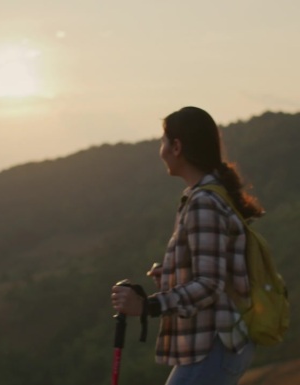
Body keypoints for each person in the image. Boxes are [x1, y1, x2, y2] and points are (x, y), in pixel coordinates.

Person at [111, 106, 265, 385]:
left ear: (177, 147)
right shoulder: (208, 195)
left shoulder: (203, 202)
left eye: (163, 142)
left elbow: (209, 283)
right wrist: (172, 275)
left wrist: (148, 306)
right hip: (220, 345)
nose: (161, 150)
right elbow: (216, 272)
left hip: (213, 347)